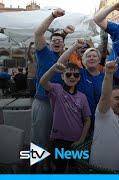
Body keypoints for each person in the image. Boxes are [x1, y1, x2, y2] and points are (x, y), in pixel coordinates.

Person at [31, 8, 74, 172]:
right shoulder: (43, 53)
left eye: (60, 41)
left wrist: (65, 34)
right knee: (39, 137)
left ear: (63, 45)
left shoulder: (63, 57)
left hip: (59, 105)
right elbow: (38, 33)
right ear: (49, 43)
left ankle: (49, 164)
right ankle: (35, 169)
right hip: (43, 101)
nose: (56, 42)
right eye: (53, 40)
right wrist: (53, 16)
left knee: (54, 137)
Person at [40, 62, 91, 173]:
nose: (72, 77)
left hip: (77, 142)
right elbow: (42, 82)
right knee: (59, 169)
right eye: (68, 75)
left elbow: (87, 120)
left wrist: (81, 140)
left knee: (75, 169)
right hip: (59, 140)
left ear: (79, 78)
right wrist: (53, 69)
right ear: (62, 76)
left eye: (76, 75)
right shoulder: (57, 90)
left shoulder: (82, 97)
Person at [89, 60, 119, 171]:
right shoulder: (103, 113)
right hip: (100, 171)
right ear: (109, 101)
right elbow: (104, 96)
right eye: (116, 98)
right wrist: (109, 74)